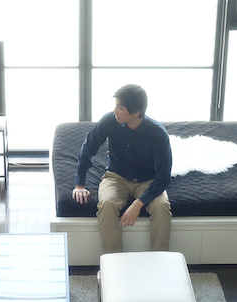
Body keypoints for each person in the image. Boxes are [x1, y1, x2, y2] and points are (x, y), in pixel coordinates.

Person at [73, 84, 173, 254]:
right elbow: (88, 148)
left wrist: (138, 203)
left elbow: (163, 177)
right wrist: (80, 184)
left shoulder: (158, 134)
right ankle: (113, 262)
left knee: (162, 207)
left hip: (148, 180)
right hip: (116, 177)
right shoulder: (110, 121)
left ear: (136, 112)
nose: (115, 111)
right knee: (106, 204)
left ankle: (160, 260)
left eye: (120, 107)